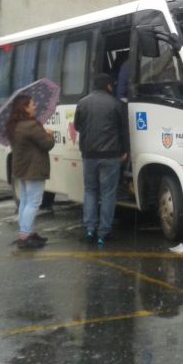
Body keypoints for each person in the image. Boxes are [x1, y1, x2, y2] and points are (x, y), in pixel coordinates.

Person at [74, 73, 129, 245]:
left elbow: (77, 126)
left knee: (90, 190)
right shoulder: (116, 104)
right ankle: (104, 232)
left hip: (89, 154)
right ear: (108, 86)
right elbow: (123, 130)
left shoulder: (82, 103)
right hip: (110, 155)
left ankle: (90, 229)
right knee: (108, 194)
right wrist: (125, 151)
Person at [7, 94, 55, 249]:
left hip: (21, 169)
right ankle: (25, 235)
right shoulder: (31, 126)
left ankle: (27, 232)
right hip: (33, 169)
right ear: (25, 108)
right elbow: (47, 144)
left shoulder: (14, 125)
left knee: (25, 201)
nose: (35, 106)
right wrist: (49, 135)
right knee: (33, 202)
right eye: (32, 104)